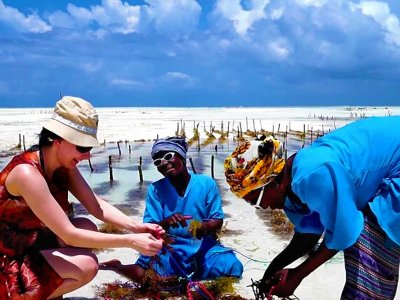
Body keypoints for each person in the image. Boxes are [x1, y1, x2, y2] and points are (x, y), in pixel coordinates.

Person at [0, 96, 164, 299]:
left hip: (30, 244)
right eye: (82, 148)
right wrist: (131, 241)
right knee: (87, 265)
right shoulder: (26, 174)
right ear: (58, 140)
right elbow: (68, 234)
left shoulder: (62, 166)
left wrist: (136, 227)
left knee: (87, 226)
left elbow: (97, 207)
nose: (87, 156)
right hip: (7, 261)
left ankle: (44, 289)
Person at [224, 116, 400, 300]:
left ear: (270, 182)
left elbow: (345, 231)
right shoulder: (290, 189)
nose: (264, 207)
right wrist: (270, 274)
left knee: (369, 255)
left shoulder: (313, 173)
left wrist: (297, 275)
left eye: (256, 200)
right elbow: (307, 236)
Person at [100, 136, 243, 283]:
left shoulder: (206, 183)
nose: (164, 163)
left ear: (181, 156)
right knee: (149, 277)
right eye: (158, 161)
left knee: (232, 266)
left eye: (168, 156)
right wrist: (167, 222)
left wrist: (202, 227)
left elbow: (217, 220)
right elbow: (149, 229)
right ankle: (117, 266)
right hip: (170, 247)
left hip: (202, 244)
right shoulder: (155, 189)